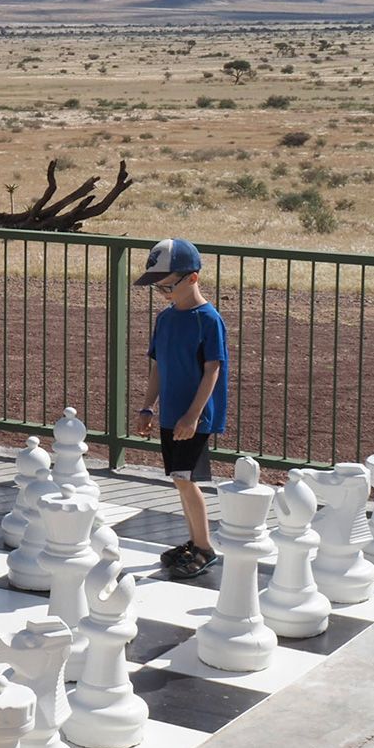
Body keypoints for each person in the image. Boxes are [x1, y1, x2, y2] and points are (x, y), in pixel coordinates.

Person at [133, 238, 229, 580]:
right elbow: (157, 365)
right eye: (157, 289)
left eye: (167, 287)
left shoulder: (208, 319)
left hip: (195, 416)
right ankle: (194, 540)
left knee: (187, 480)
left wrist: (193, 415)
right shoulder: (165, 319)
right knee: (179, 480)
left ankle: (205, 547)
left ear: (193, 278)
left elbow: (212, 370)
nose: (163, 294)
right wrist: (147, 407)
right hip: (172, 413)